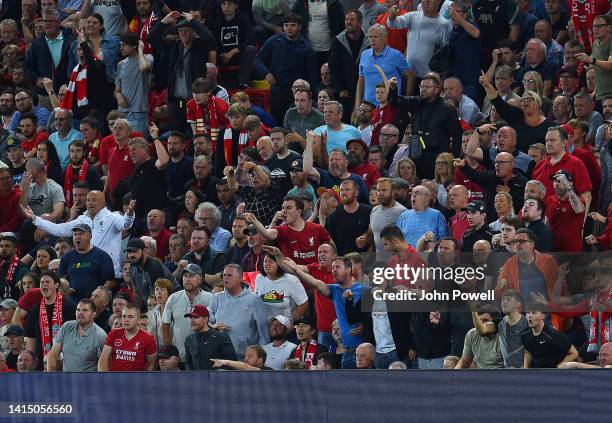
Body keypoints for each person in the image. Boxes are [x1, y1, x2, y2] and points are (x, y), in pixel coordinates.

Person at [24, 190, 135, 280]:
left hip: (110, 273)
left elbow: (126, 223)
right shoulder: (82, 220)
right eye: (88, 200)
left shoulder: (113, 217)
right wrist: (35, 218)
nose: (90, 203)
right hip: (88, 272)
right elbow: (59, 229)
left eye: (94, 200)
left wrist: (129, 215)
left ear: (102, 202)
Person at [283, 256, 362, 369]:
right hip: (346, 350)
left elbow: (375, 316)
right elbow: (315, 283)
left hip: (363, 348)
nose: (333, 270)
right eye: (333, 267)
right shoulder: (335, 290)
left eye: (337, 267)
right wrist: (296, 269)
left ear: (348, 270)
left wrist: (365, 325)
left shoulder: (363, 289)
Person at [148, 11, 217, 133]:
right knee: (177, 133)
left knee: (195, 134)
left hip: (195, 100)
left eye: (187, 30)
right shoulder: (173, 46)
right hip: (177, 101)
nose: (183, 33)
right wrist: (164, 21)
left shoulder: (199, 46)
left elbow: (208, 38)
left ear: (193, 32)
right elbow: (151, 37)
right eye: (181, 31)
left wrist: (193, 21)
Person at [388, 74, 462, 179]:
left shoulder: (447, 109)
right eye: (421, 86)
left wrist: (453, 158)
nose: (423, 89)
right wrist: (393, 88)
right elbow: (395, 102)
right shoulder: (415, 103)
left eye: (427, 87)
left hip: (436, 158)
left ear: (436, 90)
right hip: (416, 156)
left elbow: (457, 136)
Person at [255, 14, 318, 124]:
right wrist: (266, 73)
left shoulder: (307, 49)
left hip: (296, 96)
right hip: (277, 92)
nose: (289, 28)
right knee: (277, 124)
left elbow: (312, 77)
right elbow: (257, 59)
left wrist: (312, 99)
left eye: (293, 25)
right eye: (286, 25)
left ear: (299, 27)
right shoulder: (273, 41)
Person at [480, 71, 554, 153]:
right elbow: (498, 103)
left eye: (530, 99)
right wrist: (487, 85)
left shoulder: (550, 126)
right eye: (523, 100)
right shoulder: (516, 116)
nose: (526, 101)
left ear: (538, 103)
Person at [243, 196, 331, 266]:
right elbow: (266, 234)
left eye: (288, 208)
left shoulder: (316, 228)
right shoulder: (282, 230)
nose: (284, 211)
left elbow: (332, 248)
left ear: (298, 211)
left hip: (315, 280)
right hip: (292, 281)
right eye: (283, 208)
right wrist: (254, 221)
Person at [208, 264, 270, 358]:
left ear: (240, 278)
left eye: (229, 275)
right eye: (224, 275)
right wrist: (213, 327)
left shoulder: (254, 300)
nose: (226, 278)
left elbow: (263, 331)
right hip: (220, 355)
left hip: (245, 358)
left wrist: (260, 355)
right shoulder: (216, 298)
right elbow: (207, 321)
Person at [354, 24, 412, 115]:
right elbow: (361, 81)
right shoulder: (364, 54)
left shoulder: (396, 55)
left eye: (376, 37)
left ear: (385, 38)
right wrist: (357, 106)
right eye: (370, 37)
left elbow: (410, 76)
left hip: (390, 107)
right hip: (367, 108)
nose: (372, 40)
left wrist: (406, 102)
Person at [161, 263, 212, 363]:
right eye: (185, 276)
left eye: (192, 276)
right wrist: (171, 352)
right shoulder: (173, 298)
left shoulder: (211, 298)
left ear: (200, 279)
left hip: (205, 356)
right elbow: (164, 325)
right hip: (180, 356)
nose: (187, 279)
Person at [24, 271, 76, 368]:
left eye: (47, 282)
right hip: (42, 364)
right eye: (42, 282)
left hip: (67, 364)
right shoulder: (34, 310)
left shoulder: (70, 307)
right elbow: (31, 338)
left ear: (56, 285)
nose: (44, 285)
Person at [455, 152, 528, 221]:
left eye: (501, 163)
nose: (497, 165)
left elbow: (525, 204)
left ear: (511, 165)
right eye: (495, 162)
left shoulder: (522, 182)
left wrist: (510, 194)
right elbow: (475, 176)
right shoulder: (491, 177)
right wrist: (464, 166)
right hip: (491, 224)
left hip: (513, 224)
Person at [45, 298, 107, 371]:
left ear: (93, 314)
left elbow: (104, 365)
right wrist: (50, 375)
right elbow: (53, 354)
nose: (80, 313)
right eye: (78, 310)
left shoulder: (100, 336)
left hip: (88, 381)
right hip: (66, 380)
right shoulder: (66, 326)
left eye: (85, 310)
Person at [59, 223, 115, 298]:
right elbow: (61, 280)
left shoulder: (102, 256)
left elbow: (111, 281)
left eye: (81, 234)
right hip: (73, 303)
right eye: (75, 234)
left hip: (94, 304)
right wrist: (65, 290)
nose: (77, 237)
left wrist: (98, 296)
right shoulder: (66, 258)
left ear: (90, 236)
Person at [114, 32, 153, 135]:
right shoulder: (121, 64)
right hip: (121, 114)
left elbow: (144, 67)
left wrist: (140, 50)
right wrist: (118, 96)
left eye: (124, 45)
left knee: (138, 145)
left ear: (135, 46)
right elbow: (117, 88)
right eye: (120, 45)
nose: (121, 48)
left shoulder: (147, 58)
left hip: (138, 114)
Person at [98, 304, 157, 371]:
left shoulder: (148, 339)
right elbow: (103, 359)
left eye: (130, 317)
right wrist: (104, 378)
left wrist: (145, 380)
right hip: (114, 378)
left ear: (138, 320)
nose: (126, 320)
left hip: (136, 379)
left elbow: (151, 364)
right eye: (124, 316)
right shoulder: (113, 334)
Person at [213, 0, 257, 87]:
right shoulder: (218, 22)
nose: (226, 6)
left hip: (239, 55)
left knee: (250, 49)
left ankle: (244, 82)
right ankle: (213, 84)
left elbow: (250, 40)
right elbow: (215, 42)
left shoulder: (243, 19)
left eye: (229, 4)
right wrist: (222, 54)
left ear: (236, 6)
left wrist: (232, 52)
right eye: (224, 4)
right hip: (223, 56)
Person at [126, 237, 178, 311]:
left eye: (135, 251)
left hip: (172, 304)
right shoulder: (132, 266)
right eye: (129, 252)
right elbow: (137, 294)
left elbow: (160, 297)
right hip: (151, 305)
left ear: (144, 251)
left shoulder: (154, 268)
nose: (131, 255)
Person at [522, 302, 578, 368]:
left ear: (542, 316)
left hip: (552, 375)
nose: (530, 316)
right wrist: (526, 369)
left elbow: (574, 353)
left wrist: (557, 369)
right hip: (536, 373)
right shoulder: (525, 334)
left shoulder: (552, 334)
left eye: (534, 313)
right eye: (528, 313)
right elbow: (528, 351)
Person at [183, 304, 237, 370]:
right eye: (191, 317)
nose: (192, 320)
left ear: (205, 319)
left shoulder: (221, 337)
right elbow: (188, 364)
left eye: (196, 317)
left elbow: (233, 362)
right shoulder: (189, 339)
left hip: (217, 379)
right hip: (196, 379)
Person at [325, 179, 371, 255]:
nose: (343, 193)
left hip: (364, 260)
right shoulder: (333, 216)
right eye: (341, 190)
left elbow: (374, 234)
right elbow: (329, 240)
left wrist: (367, 237)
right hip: (342, 260)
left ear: (356, 193)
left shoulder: (368, 212)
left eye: (347, 190)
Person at [545, 170, 586, 252]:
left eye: (560, 181)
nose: (556, 184)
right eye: (555, 181)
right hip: (553, 249)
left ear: (570, 183)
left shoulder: (580, 200)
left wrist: (567, 186)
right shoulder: (549, 200)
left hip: (573, 251)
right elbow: (547, 223)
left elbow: (579, 210)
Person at [575, 14, 612, 101]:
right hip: (600, 94)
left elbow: (610, 65)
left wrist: (590, 59)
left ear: (609, 28)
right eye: (594, 26)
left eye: (599, 26)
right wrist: (595, 91)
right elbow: (598, 70)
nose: (595, 29)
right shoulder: (595, 43)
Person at [19, 158, 65, 222]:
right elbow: (22, 213)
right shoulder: (28, 187)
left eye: (27, 170)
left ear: (34, 169)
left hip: (47, 223)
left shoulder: (55, 188)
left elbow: (58, 213)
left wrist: (40, 220)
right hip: (30, 221)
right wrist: (24, 191)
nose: (25, 174)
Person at [0, 234, 29, 300]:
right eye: (1, 246)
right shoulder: (1, 266)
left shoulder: (22, 269)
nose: (3, 249)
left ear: (15, 250)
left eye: (7, 246)